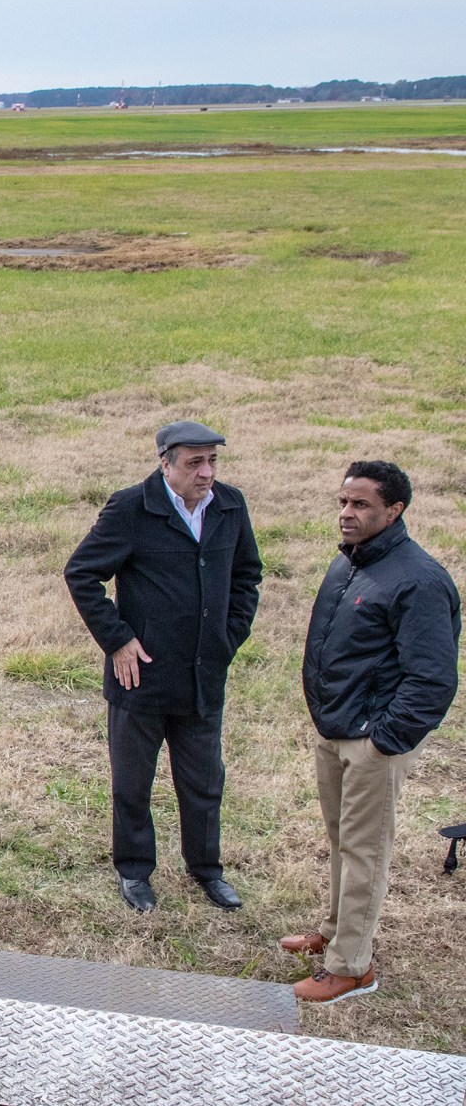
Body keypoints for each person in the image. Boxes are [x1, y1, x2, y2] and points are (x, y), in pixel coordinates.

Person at [64, 421, 262, 913]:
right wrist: (119, 640)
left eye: (212, 461)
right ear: (165, 462)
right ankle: (134, 872)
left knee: (203, 782)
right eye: (195, 462)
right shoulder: (131, 507)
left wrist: (227, 637)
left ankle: (206, 870)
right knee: (132, 782)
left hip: (202, 677)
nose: (207, 472)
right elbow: (82, 572)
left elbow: (247, 576)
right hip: (142, 678)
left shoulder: (230, 506)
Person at [281, 462, 458, 1003]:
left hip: (371, 741)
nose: (346, 514)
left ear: (394, 510)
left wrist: (384, 739)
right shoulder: (352, 564)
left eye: (359, 505)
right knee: (342, 842)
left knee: (364, 851)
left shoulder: (419, 580)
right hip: (336, 729)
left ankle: (352, 967)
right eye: (342, 502)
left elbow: (432, 678)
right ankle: (336, 933)